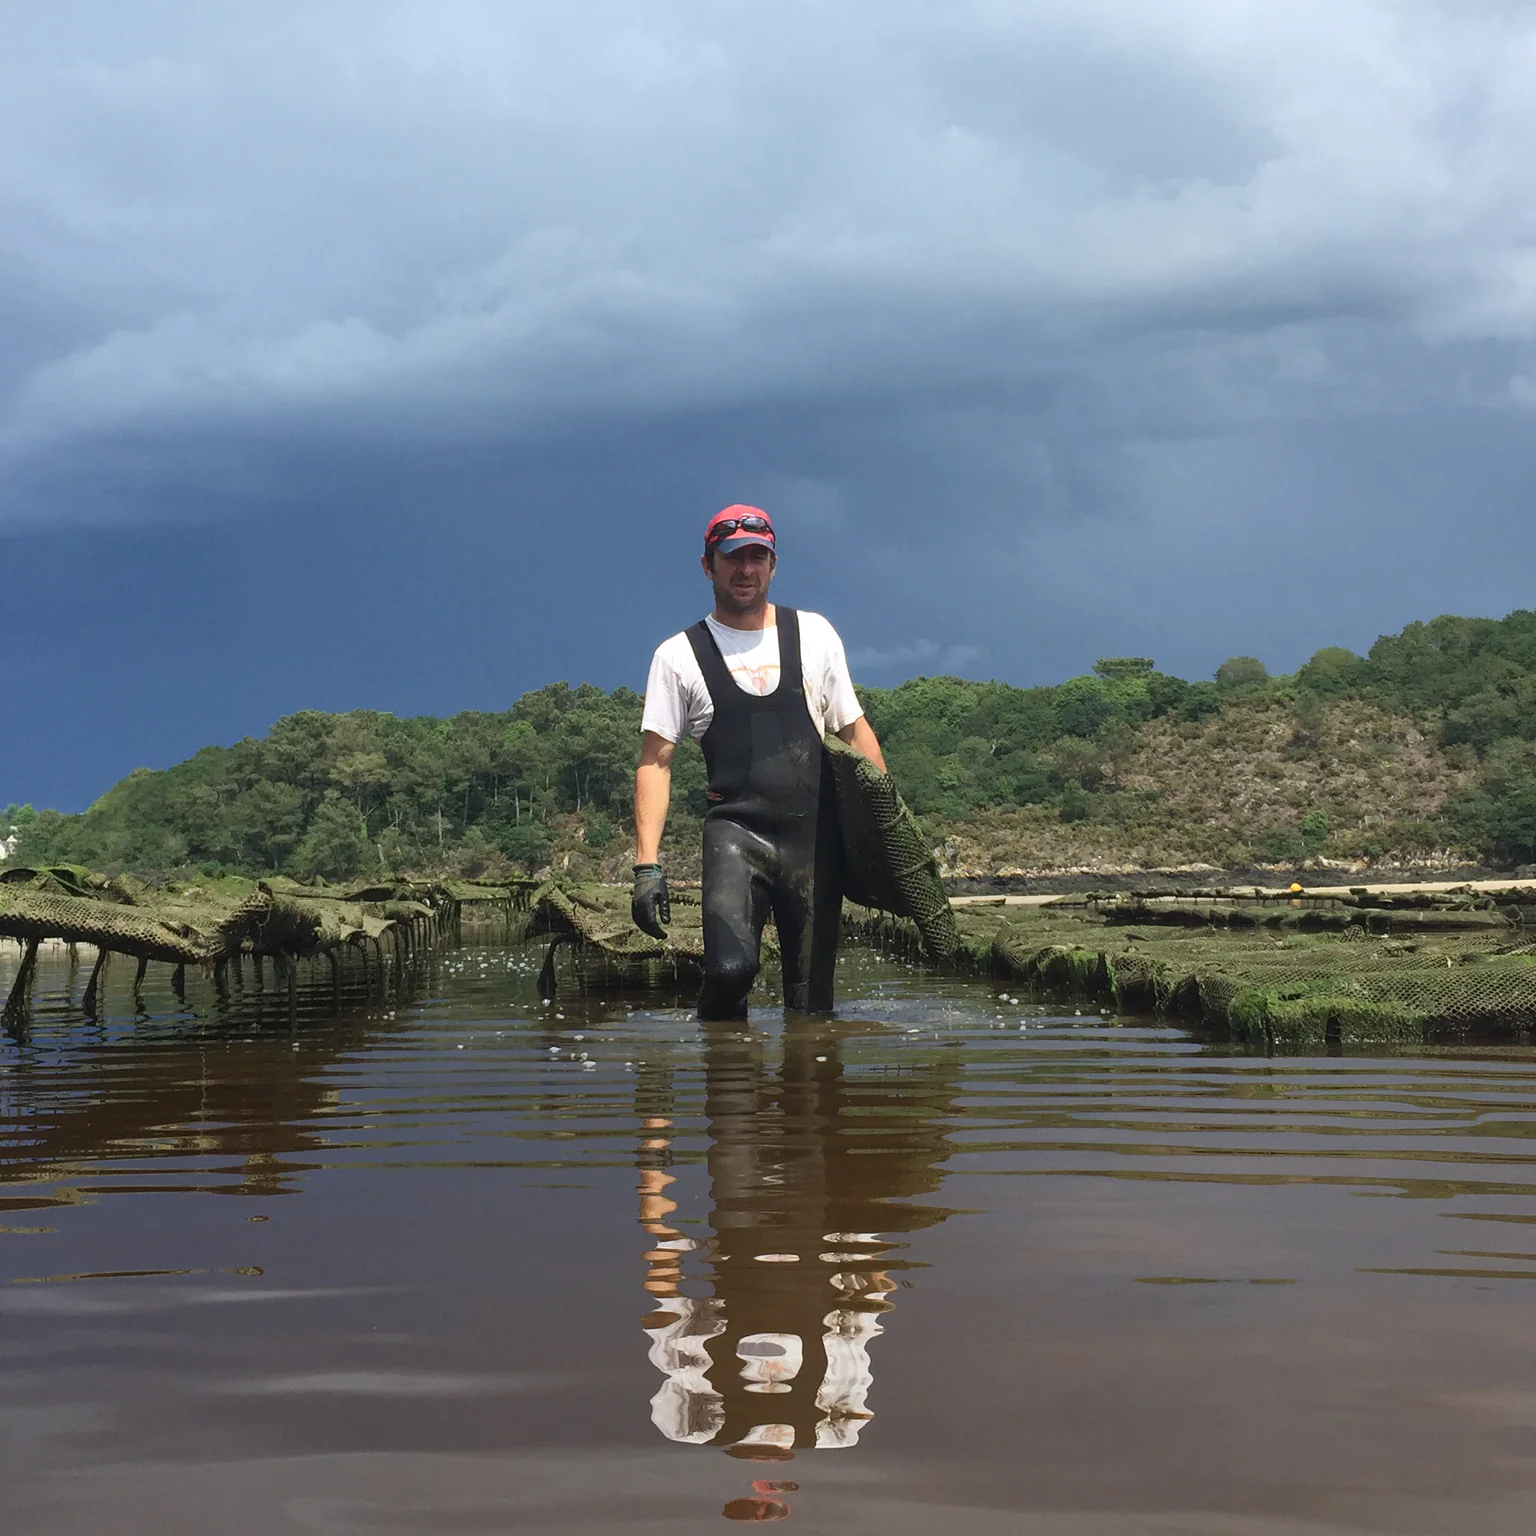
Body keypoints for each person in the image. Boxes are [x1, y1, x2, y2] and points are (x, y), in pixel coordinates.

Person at [632, 505, 885, 1018]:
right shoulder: (678, 655)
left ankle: (800, 1090)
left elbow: (854, 731)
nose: (745, 569)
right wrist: (646, 867)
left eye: (757, 556)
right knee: (730, 971)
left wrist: (888, 827)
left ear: (772, 564)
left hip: (813, 842)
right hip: (734, 836)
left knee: (811, 1004)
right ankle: (724, 1075)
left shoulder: (814, 634)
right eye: (732, 558)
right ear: (708, 565)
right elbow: (655, 762)